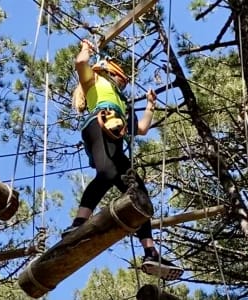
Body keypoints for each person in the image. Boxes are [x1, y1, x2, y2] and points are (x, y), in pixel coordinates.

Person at [62, 39, 183, 281]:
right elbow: (80, 62)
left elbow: (141, 129)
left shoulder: (121, 102)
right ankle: (77, 224)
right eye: (121, 78)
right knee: (106, 173)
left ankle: (150, 252)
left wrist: (150, 106)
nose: (123, 82)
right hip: (98, 125)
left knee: (140, 194)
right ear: (109, 71)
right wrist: (86, 48)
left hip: (114, 134)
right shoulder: (95, 80)